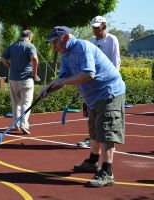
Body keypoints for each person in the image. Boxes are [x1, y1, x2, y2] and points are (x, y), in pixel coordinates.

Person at [39, 26, 125, 187]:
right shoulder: (65, 55)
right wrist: (47, 90)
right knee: (94, 132)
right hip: (93, 97)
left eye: (55, 42)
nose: (53, 46)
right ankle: (92, 162)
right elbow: (62, 78)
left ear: (65, 38)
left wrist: (63, 82)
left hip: (109, 92)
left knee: (106, 131)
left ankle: (107, 172)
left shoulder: (83, 47)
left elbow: (88, 73)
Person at [78, 15, 121, 148]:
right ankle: (92, 138)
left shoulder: (112, 40)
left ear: (104, 26)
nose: (95, 30)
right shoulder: (91, 40)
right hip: (92, 83)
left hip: (107, 83)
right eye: (93, 28)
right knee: (90, 112)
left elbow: (116, 61)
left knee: (103, 113)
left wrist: (113, 79)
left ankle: (99, 139)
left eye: (97, 28)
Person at [1, 30, 39, 135]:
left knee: (15, 103)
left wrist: (10, 67)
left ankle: (16, 125)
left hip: (13, 78)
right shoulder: (30, 46)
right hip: (26, 79)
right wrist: (34, 73)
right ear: (30, 37)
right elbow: (35, 59)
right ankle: (23, 125)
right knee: (26, 103)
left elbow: (3, 58)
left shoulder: (12, 45)